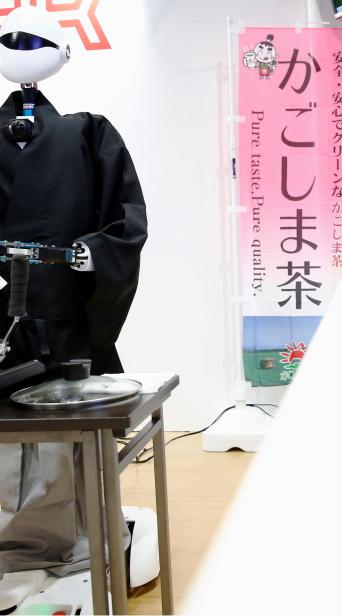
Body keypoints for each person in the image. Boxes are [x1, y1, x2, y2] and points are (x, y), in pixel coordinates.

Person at [0, 6, 147, 604]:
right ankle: (19, 545)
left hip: (67, 316)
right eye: (9, 38)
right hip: (5, 314)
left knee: (66, 444)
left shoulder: (89, 132)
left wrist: (89, 255)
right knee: (9, 445)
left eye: (31, 39)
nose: (17, 45)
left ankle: (71, 543)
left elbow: (126, 221)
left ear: (64, 52)